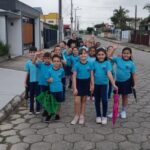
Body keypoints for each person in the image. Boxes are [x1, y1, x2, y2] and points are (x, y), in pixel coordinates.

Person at [92, 48, 117, 125]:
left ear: (105, 55)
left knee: (104, 100)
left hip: (104, 85)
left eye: (102, 54)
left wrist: (113, 84)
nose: (101, 56)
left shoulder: (107, 63)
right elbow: (92, 75)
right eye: (99, 55)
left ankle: (104, 116)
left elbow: (109, 73)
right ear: (96, 55)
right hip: (96, 85)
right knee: (97, 100)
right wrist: (92, 84)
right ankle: (98, 116)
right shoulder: (94, 63)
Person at [110, 47, 136, 119]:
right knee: (116, 97)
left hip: (126, 82)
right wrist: (113, 49)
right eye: (124, 53)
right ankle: (115, 111)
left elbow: (133, 74)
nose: (126, 55)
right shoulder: (118, 59)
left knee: (125, 96)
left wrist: (134, 84)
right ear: (122, 54)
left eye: (127, 53)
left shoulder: (131, 63)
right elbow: (110, 57)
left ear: (130, 54)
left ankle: (123, 111)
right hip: (117, 82)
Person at [71, 48, 94, 125]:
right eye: (81, 53)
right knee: (77, 101)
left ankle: (82, 116)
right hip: (79, 83)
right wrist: (74, 88)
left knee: (83, 101)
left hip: (86, 83)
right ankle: (76, 115)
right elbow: (74, 77)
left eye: (84, 53)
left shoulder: (90, 64)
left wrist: (92, 85)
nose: (83, 55)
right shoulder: (76, 65)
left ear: (87, 54)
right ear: (79, 55)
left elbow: (91, 76)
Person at [46, 55, 65, 122]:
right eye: (54, 61)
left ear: (60, 62)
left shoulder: (62, 70)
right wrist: (49, 80)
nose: (56, 63)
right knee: (51, 103)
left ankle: (57, 114)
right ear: (52, 62)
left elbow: (63, 78)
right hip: (52, 89)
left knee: (58, 103)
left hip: (59, 89)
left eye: (58, 61)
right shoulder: (49, 70)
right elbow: (47, 80)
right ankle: (49, 114)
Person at [33, 51, 52, 117]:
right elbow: (34, 63)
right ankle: (45, 110)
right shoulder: (41, 64)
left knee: (49, 97)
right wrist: (35, 55)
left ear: (50, 58)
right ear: (43, 58)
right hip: (42, 84)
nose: (47, 59)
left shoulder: (52, 65)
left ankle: (48, 110)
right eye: (45, 58)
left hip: (50, 84)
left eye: (48, 58)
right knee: (43, 98)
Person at [25, 46, 40, 114]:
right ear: (29, 53)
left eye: (34, 52)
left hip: (38, 81)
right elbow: (27, 72)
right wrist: (25, 81)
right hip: (31, 81)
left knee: (38, 95)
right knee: (31, 95)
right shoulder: (27, 62)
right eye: (31, 52)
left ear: (36, 53)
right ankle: (31, 109)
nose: (32, 53)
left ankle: (38, 109)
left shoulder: (38, 61)